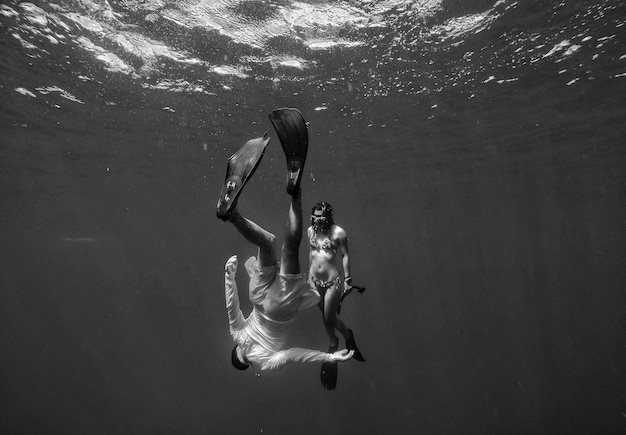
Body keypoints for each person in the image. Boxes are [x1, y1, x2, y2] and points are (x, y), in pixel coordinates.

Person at [216, 108, 354, 371]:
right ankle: (232, 216)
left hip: (278, 308)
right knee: (266, 241)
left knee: (290, 247)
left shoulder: (264, 364)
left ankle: (296, 190)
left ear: (248, 365)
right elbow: (232, 308)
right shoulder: (238, 337)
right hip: (257, 298)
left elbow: (293, 354)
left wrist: (329, 357)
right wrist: (229, 275)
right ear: (236, 352)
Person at [307, 202, 365, 389]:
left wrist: (348, 279)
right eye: (315, 217)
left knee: (328, 318)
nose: (317, 221)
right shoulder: (310, 232)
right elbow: (311, 254)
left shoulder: (339, 233)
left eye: (320, 217)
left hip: (333, 283)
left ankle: (334, 344)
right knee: (330, 318)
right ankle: (349, 336)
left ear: (328, 217)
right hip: (314, 282)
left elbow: (345, 256)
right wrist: (308, 278)